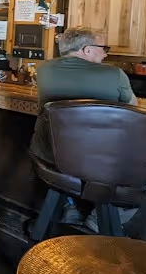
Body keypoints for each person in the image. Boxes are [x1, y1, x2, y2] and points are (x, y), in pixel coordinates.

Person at [31, 26, 139, 232]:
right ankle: (99, 221)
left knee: (64, 163)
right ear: (87, 50)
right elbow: (134, 109)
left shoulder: (43, 70)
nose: (106, 53)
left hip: (47, 154)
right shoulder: (115, 74)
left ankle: (70, 207)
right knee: (144, 172)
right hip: (98, 161)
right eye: (104, 47)